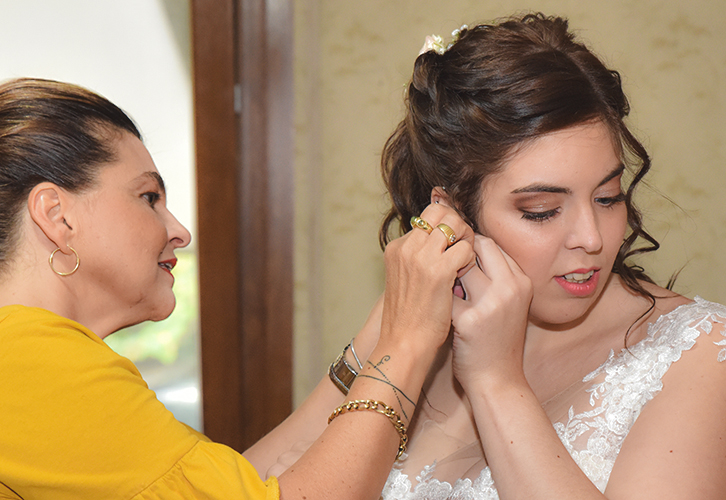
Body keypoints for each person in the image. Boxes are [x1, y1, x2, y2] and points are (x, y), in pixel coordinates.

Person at [252, 13, 726, 500]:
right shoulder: (420, 347)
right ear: (451, 210)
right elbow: (229, 489)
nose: (592, 237)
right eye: (542, 211)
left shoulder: (696, 354)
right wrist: (387, 335)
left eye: (607, 197)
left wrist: (496, 382)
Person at [0, 78, 477, 500]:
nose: (179, 231)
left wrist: (375, 341)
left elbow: (233, 487)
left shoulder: (9, 349)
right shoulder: (22, 355)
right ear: (56, 216)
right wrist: (407, 340)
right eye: (148, 197)